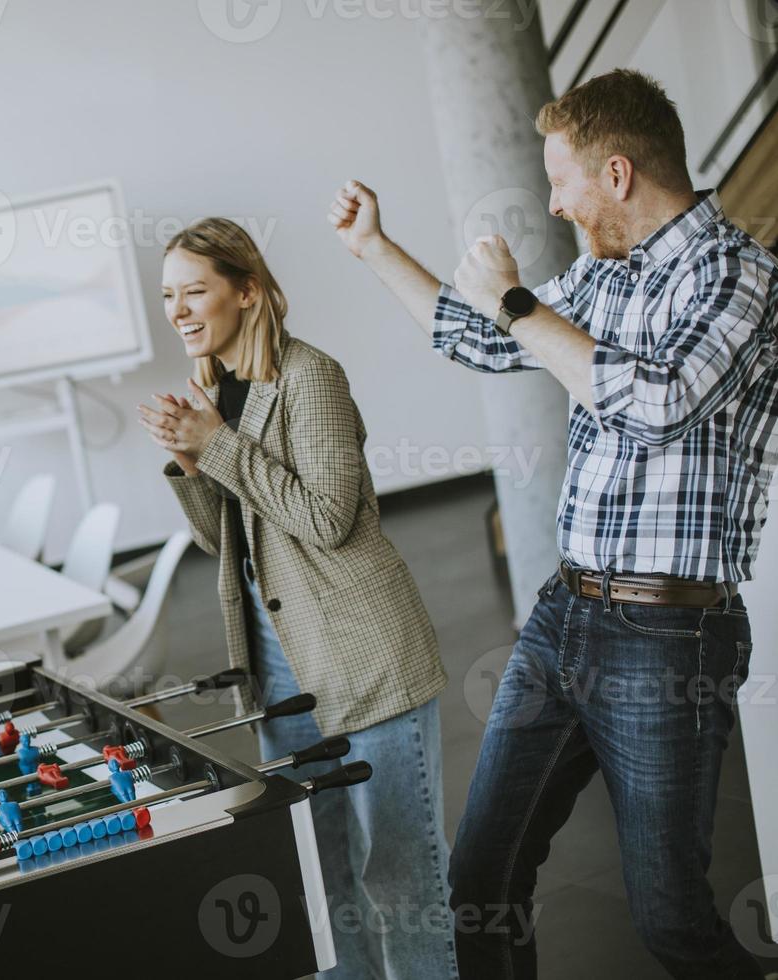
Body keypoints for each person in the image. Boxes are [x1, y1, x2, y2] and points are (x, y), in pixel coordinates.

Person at [331, 69, 776, 979]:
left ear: (616, 175)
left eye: (562, 179)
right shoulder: (604, 276)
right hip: (563, 615)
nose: (553, 200)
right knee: (481, 883)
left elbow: (661, 403)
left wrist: (520, 302)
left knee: (672, 924)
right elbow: (484, 339)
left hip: (670, 634)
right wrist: (377, 249)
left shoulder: (742, 273)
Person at [137, 218, 455, 979]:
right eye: (167, 296)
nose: (178, 311)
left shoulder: (313, 377)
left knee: (401, 877)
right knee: (322, 871)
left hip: (364, 659)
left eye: (194, 292)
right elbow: (229, 542)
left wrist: (215, 444)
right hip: (277, 670)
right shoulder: (217, 389)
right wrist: (190, 461)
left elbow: (326, 518)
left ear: (246, 291)